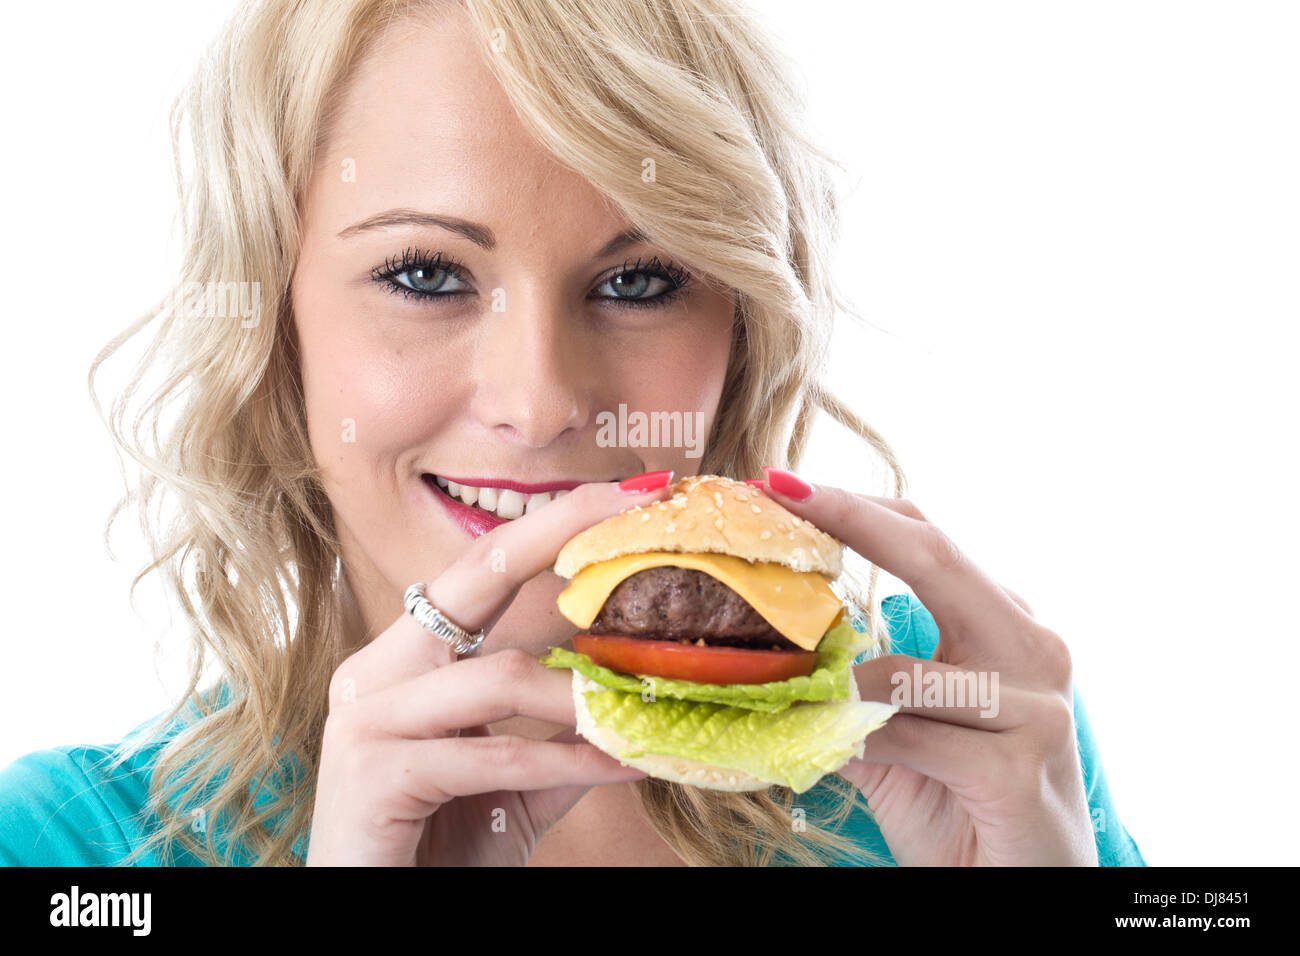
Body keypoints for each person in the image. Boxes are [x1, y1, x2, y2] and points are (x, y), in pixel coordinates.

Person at [0, 0, 1144, 867]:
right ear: (273, 321)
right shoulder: (73, 845)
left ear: (741, 325)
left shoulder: (967, 727)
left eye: (641, 279)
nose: (539, 399)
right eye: (424, 273)